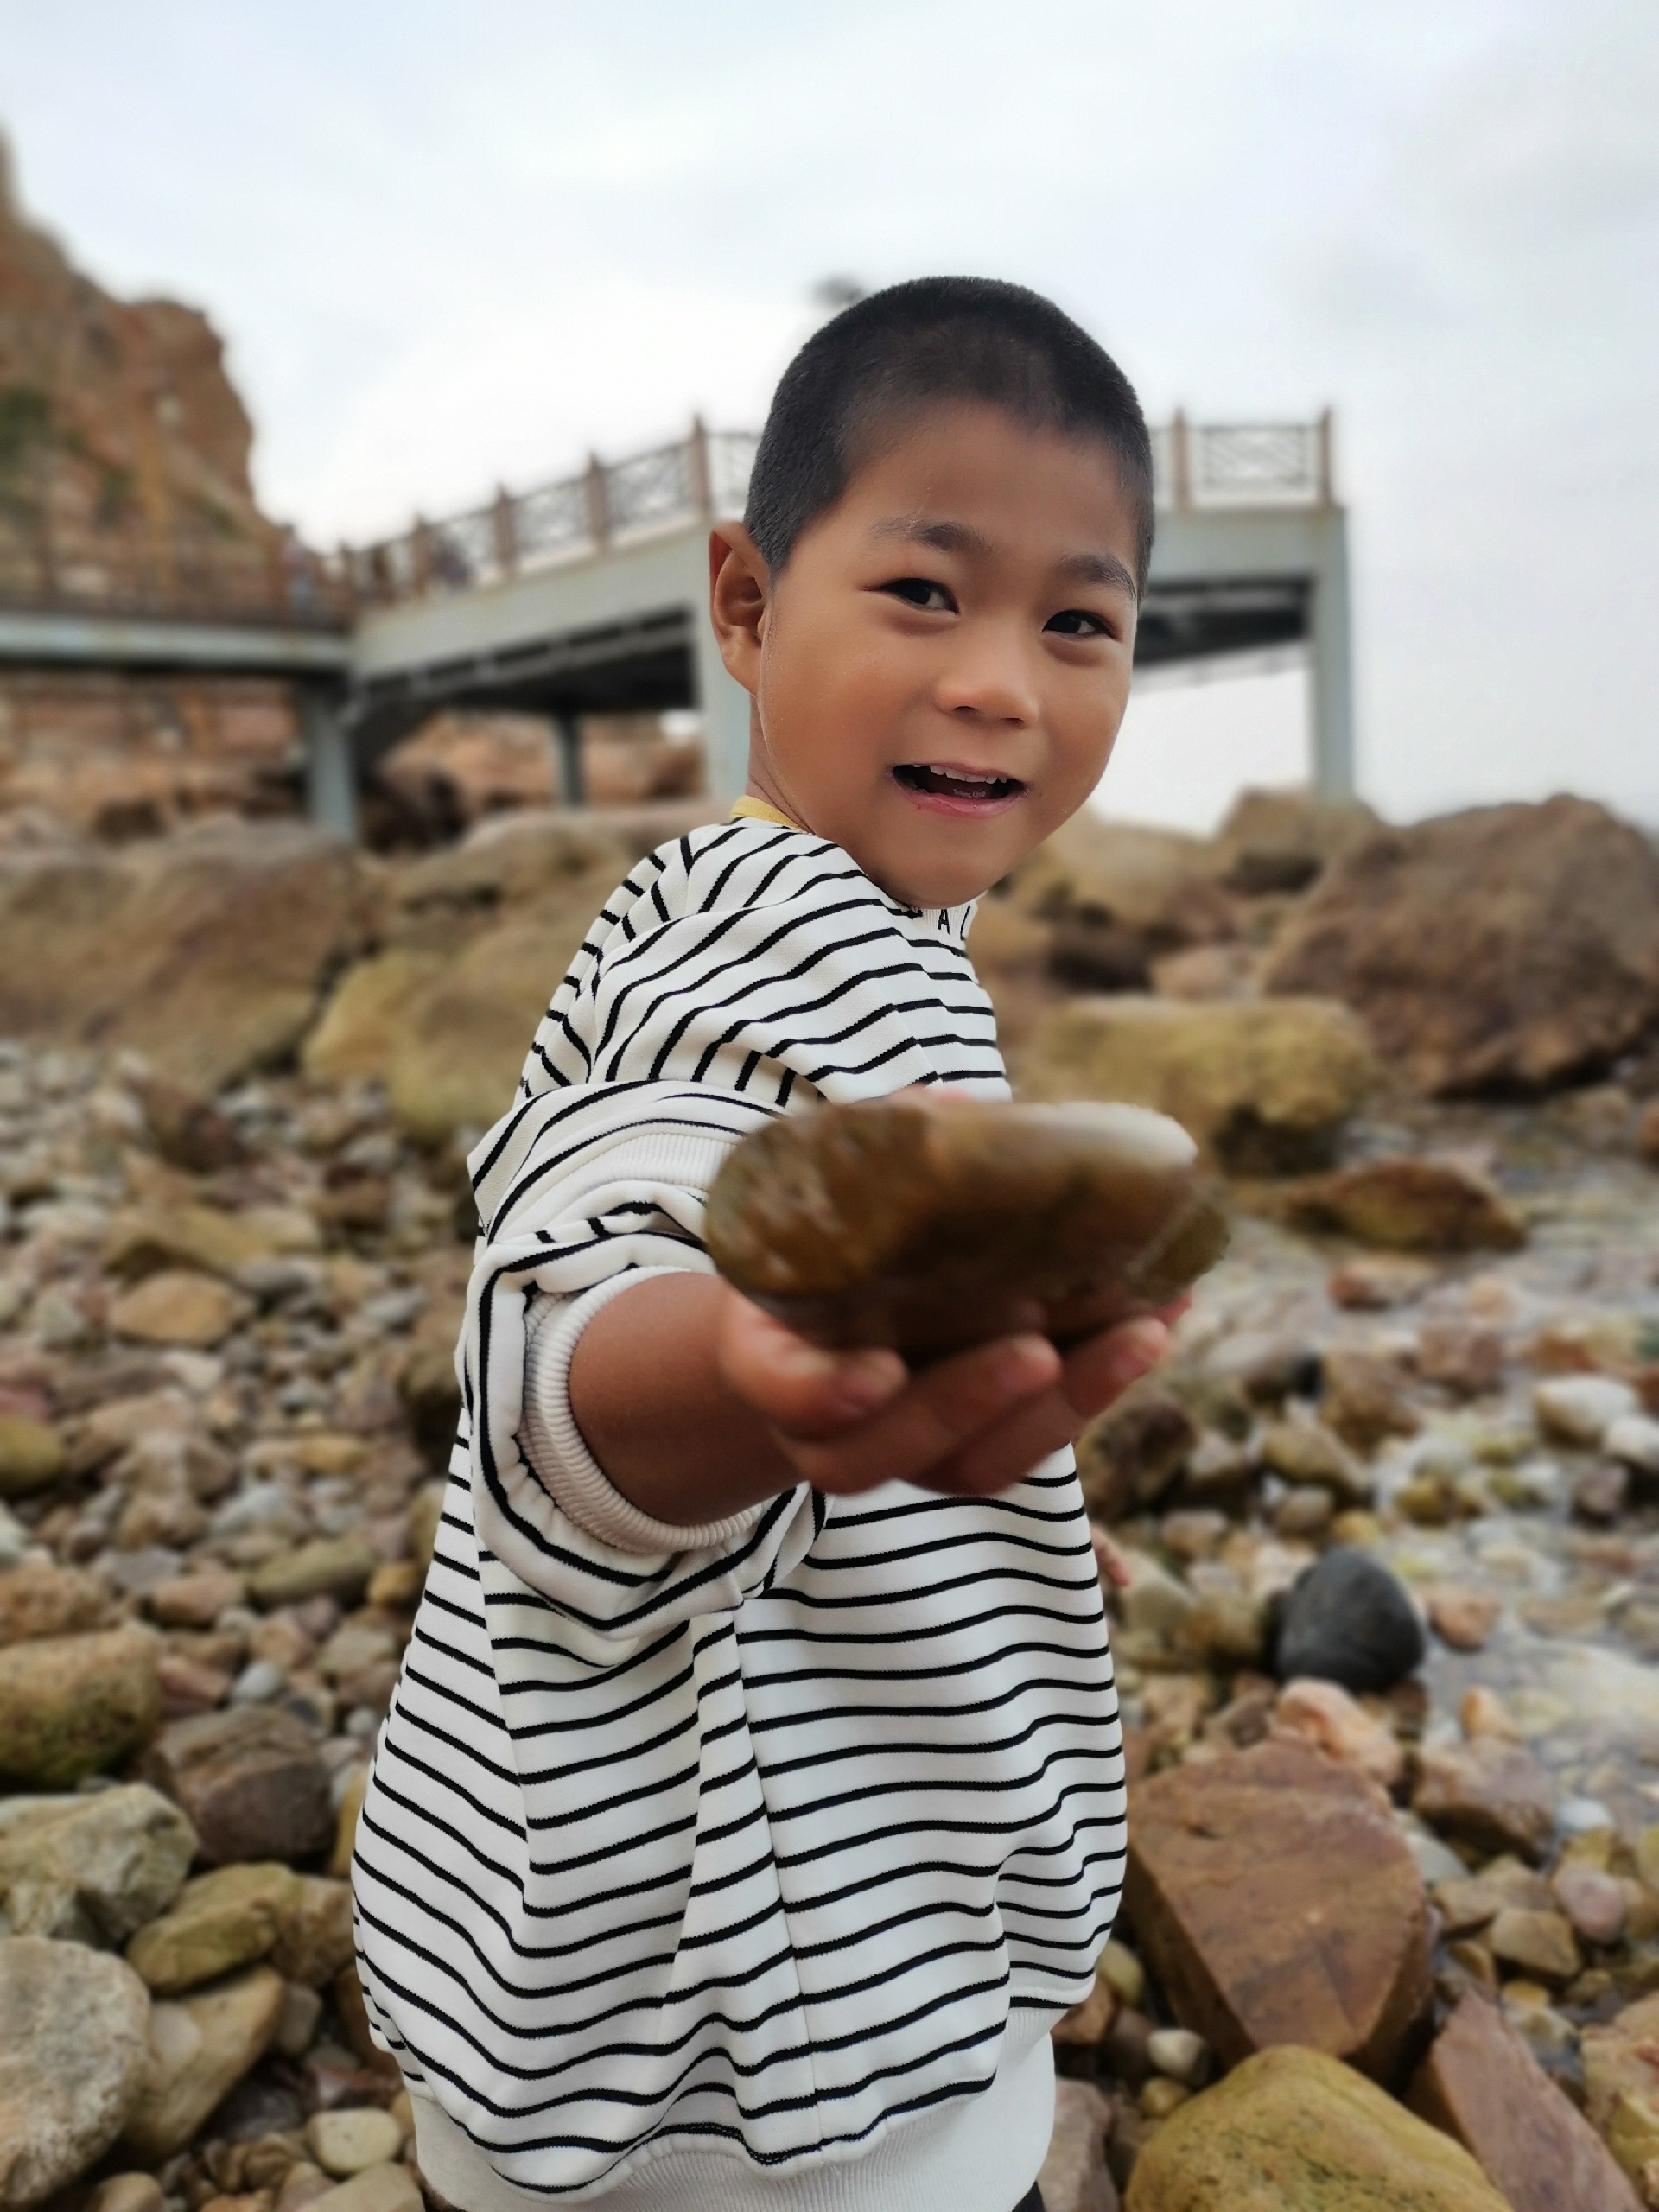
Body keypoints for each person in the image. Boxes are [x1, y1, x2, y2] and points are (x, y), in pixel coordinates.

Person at [355, 276, 1173, 2212]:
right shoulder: (730, 955)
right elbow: (567, 1322)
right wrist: (730, 1364)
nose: (1001, 679)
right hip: (727, 2064)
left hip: (662, 1983)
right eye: (924, 591)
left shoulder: (882, 928)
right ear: (743, 602)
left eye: (1080, 620)